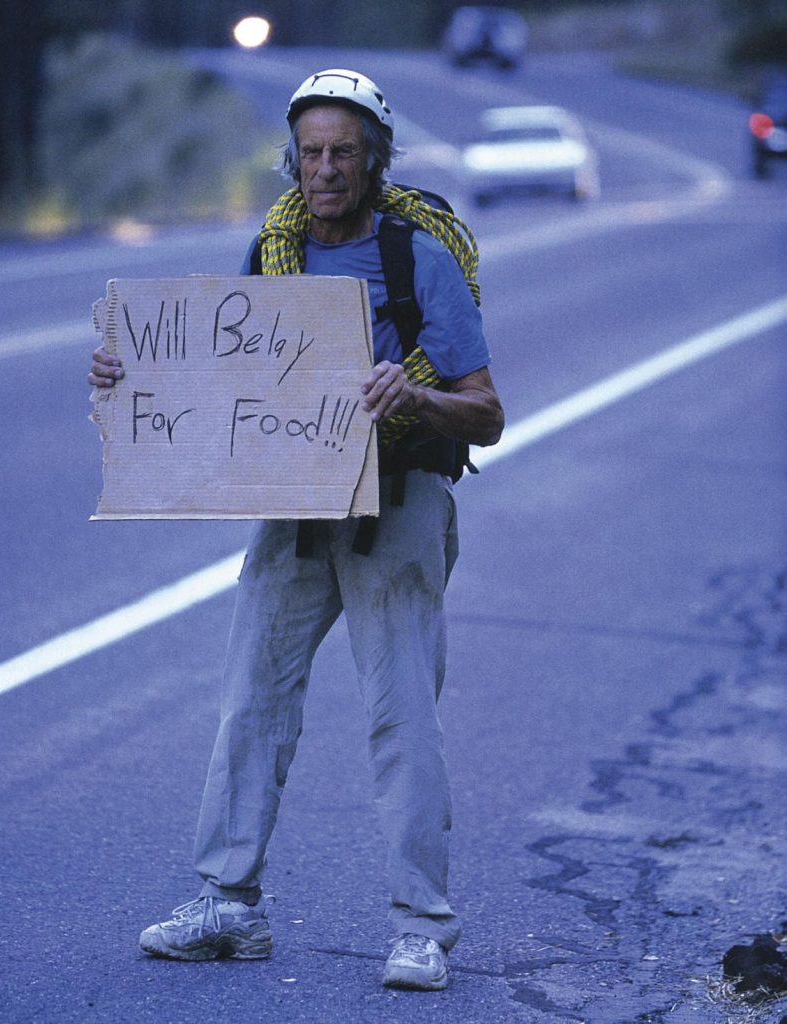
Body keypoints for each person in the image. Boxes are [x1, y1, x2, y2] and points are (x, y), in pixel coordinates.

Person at [89, 68, 504, 991]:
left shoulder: (414, 258)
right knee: (250, 705)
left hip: (397, 508)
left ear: (373, 160)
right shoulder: (272, 254)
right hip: (296, 511)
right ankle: (229, 907)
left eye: (343, 154)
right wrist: (132, 382)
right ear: (294, 158)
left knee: (401, 717)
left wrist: (418, 396)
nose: (324, 171)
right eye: (311, 153)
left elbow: (486, 412)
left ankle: (420, 927)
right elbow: (216, 385)